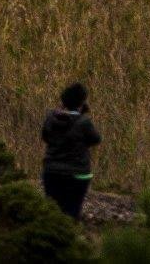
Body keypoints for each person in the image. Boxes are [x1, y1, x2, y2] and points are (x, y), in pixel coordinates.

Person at [40, 82, 100, 220]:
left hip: (52, 171)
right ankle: (69, 236)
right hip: (77, 173)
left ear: (63, 101)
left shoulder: (51, 118)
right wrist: (82, 115)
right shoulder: (84, 122)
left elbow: (46, 137)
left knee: (52, 211)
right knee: (72, 211)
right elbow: (96, 139)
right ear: (81, 103)